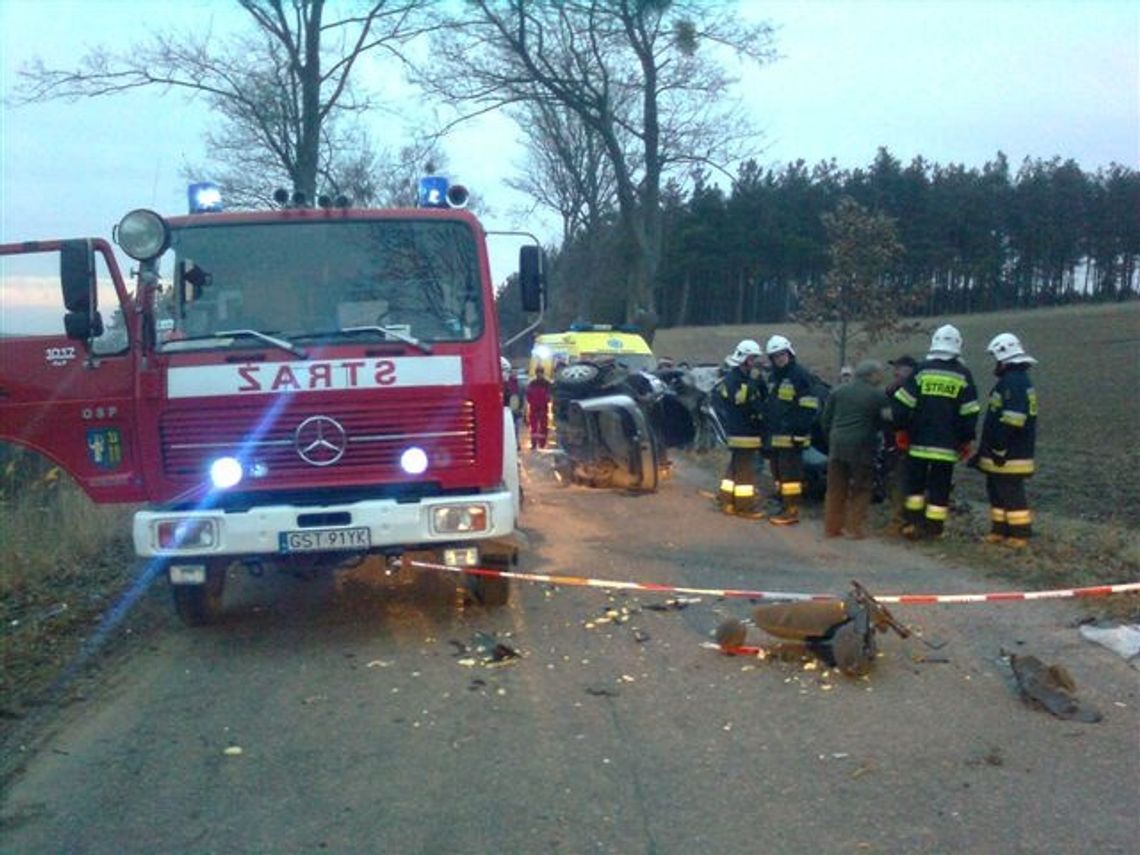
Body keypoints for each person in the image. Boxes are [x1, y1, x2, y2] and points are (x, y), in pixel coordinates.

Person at [890, 325, 981, 540]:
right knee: (940, 488)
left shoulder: (921, 370)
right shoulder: (963, 375)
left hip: (918, 442)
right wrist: (966, 439)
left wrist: (900, 430)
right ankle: (934, 529)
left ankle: (911, 524)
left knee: (915, 486)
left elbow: (903, 405)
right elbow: (970, 412)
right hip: (947, 446)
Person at [974, 333, 1038, 548]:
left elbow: (1013, 420)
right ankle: (999, 530)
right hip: (1005, 453)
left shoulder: (1013, 383)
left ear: (1004, 359)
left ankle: (1020, 534)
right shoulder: (1015, 381)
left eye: (996, 359)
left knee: (1011, 494)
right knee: (997, 493)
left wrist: (999, 448)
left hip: (1010, 454)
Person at [820, 360, 887, 538]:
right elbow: (887, 422)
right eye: (879, 374)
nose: (882, 378)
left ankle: (832, 527)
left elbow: (825, 419)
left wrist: (831, 438)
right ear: (871, 375)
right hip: (862, 447)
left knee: (835, 487)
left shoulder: (838, 391)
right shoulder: (878, 396)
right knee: (862, 487)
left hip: (837, 445)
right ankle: (854, 527)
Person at [763, 334, 821, 526]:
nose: (779, 359)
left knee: (791, 477)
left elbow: (809, 406)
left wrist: (799, 431)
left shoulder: (799, 375)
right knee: (779, 474)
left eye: (782, 355)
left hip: (792, 436)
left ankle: (791, 511)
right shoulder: (775, 377)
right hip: (777, 436)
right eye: (775, 356)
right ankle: (783, 504)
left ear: (789, 353)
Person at [712, 339, 767, 519]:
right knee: (745, 470)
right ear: (744, 358)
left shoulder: (744, 378)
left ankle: (726, 499)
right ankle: (744, 507)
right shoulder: (734, 379)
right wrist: (753, 384)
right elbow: (740, 399)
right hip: (742, 432)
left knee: (734, 466)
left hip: (744, 431)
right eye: (752, 358)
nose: (755, 362)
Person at [881, 355, 918, 532]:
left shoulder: (911, 389)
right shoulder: (891, 390)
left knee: (902, 483)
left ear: (910, 370)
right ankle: (900, 519)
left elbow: (897, 417)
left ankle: (900, 521)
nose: (895, 372)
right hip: (892, 443)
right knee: (894, 481)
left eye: (899, 368)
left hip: (906, 444)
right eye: (894, 368)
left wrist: (887, 416)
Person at [525, 365, 553, 449]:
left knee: (543, 427)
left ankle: (542, 444)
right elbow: (528, 395)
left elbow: (549, 396)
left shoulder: (546, 383)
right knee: (534, 427)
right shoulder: (533, 383)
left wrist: (546, 401)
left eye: (540, 372)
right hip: (534, 408)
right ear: (536, 373)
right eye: (538, 372)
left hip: (543, 408)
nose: (539, 374)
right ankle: (534, 444)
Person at [502, 357, 522, 448]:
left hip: (515, 411)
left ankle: (515, 444)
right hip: (508, 411)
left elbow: (519, 397)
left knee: (515, 429)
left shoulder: (518, 384)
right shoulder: (506, 385)